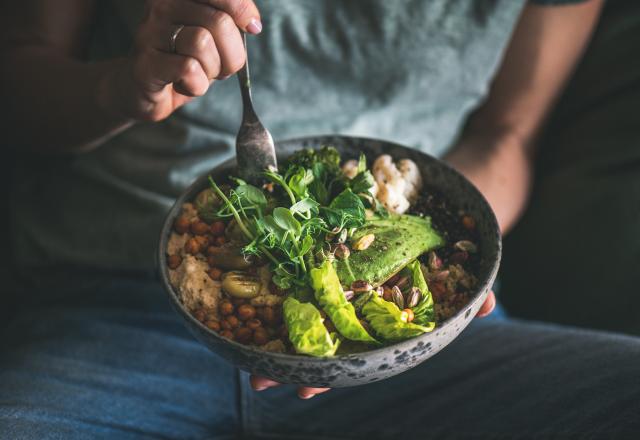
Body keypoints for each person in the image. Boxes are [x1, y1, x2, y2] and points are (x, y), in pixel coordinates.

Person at [1, 0, 639, 438]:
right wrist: (124, 87)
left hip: (423, 352)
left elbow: (510, 133)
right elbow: (20, 89)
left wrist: (441, 295)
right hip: (107, 304)